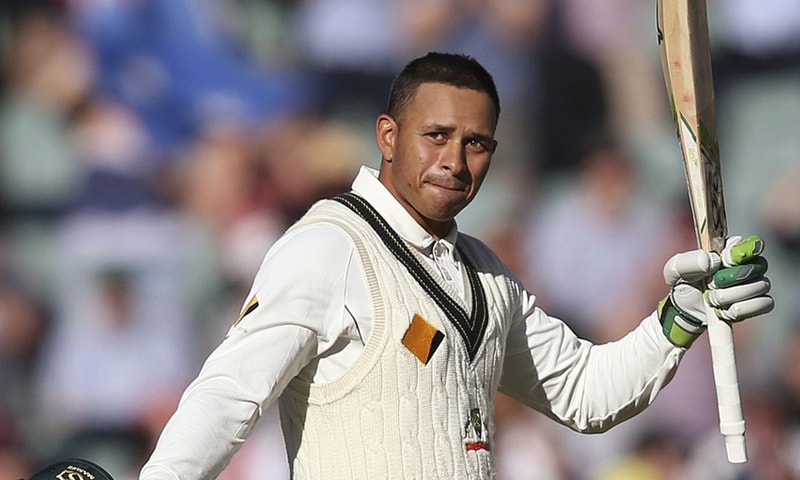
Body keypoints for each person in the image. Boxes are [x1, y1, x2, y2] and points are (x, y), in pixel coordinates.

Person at [138, 52, 774, 480]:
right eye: (435, 136)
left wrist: (677, 319)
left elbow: (585, 393)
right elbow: (226, 398)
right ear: (388, 136)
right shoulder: (328, 246)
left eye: (475, 143)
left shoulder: (484, 272)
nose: (455, 160)